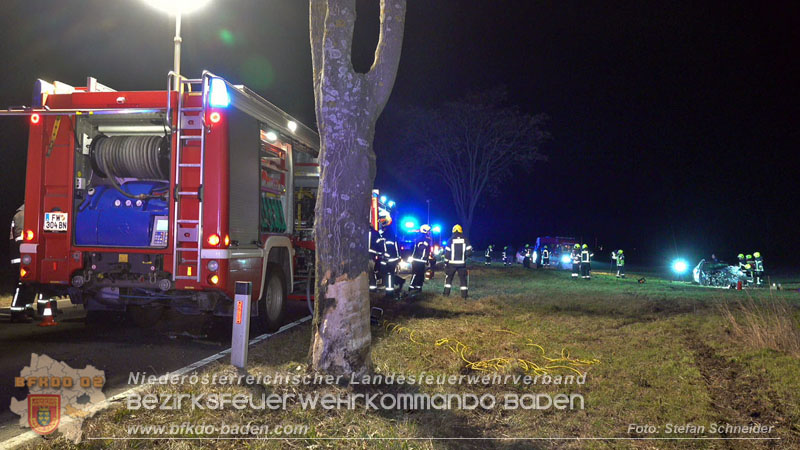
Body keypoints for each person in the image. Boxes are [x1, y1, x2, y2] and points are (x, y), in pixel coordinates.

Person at [9, 205, 35, 322]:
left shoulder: (24, 214)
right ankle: (16, 313)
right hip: (20, 257)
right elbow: (19, 238)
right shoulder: (22, 215)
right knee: (20, 285)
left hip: (24, 256)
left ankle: (25, 310)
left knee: (26, 285)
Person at [443, 224, 472, 298]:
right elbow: (469, 252)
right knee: (463, 279)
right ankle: (464, 296)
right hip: (462, 264)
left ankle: (446, 294)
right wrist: (464, 257)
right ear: (460, 231)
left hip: (451, 264)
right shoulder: (465, 239)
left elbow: (447, 253)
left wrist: (446, 263)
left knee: (449, 279)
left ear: (453, 231)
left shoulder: (450, 240)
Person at [409, 225, 432, 293]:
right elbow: (423, 249)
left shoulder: (418, 238)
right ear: (425, 231)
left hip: (418, 259)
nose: (429, 233)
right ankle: (412, 287)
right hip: (418, 259)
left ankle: (418, 287)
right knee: (416, 273)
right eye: (428, 231)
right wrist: (425, 257)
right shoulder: (424, 239)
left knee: (420, 274)